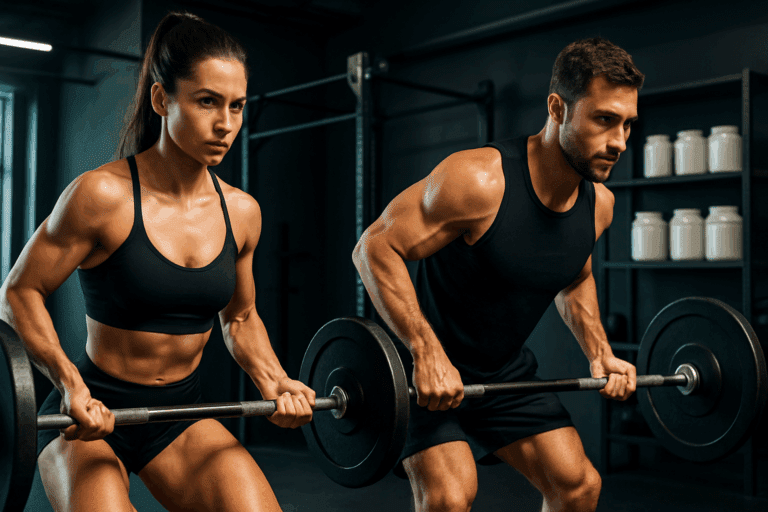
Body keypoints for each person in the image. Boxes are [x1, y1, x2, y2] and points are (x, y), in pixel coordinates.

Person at [0, 11, 314, 512]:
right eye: (207, 101)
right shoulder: (101, 195)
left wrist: (273, 380)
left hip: (182, 413)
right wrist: (68, 383)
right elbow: (19, 292)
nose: (225, 124)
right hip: (92, 411)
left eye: (237, 106)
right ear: (162, 99)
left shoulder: (242, 211)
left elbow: (239, 316)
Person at [352, 37, 644, 512]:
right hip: (419, 374)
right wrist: (426, 352)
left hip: (502, 374)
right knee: (450, 495)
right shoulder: (479, 180)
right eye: (604, 120)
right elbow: (374, 247)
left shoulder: (599, 207)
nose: (619, 142)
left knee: (579, 487)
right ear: (557, 108)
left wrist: (601, 353)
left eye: (628, 124)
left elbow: (574, 277)